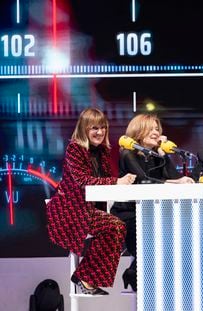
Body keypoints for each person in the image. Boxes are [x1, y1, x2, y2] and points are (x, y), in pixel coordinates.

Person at [46, 108, 136, 295]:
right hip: (69, 211)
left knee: (118, 226)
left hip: (88, 210)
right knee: (115, 226)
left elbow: (103, 181)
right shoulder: (75, 148)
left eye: (103, 127)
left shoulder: (102, 151)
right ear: (84, 129)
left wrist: (120, 183)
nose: (100, 132)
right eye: (94, 128)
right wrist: (116, 182)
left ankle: (86, 277)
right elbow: (83, 181)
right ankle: (85, 278)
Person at [111, 114, 194, 292]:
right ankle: (137, 274)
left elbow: (174, 177)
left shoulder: (155, 155)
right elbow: (143, 181)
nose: (156, 133)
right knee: (151, 246)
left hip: (150, 214)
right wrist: (175, 183)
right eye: (151, 128)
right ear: (139, 131)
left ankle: (135, 272)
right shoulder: (128, 153)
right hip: (129, 214)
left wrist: (163, 154)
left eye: (158, 129)